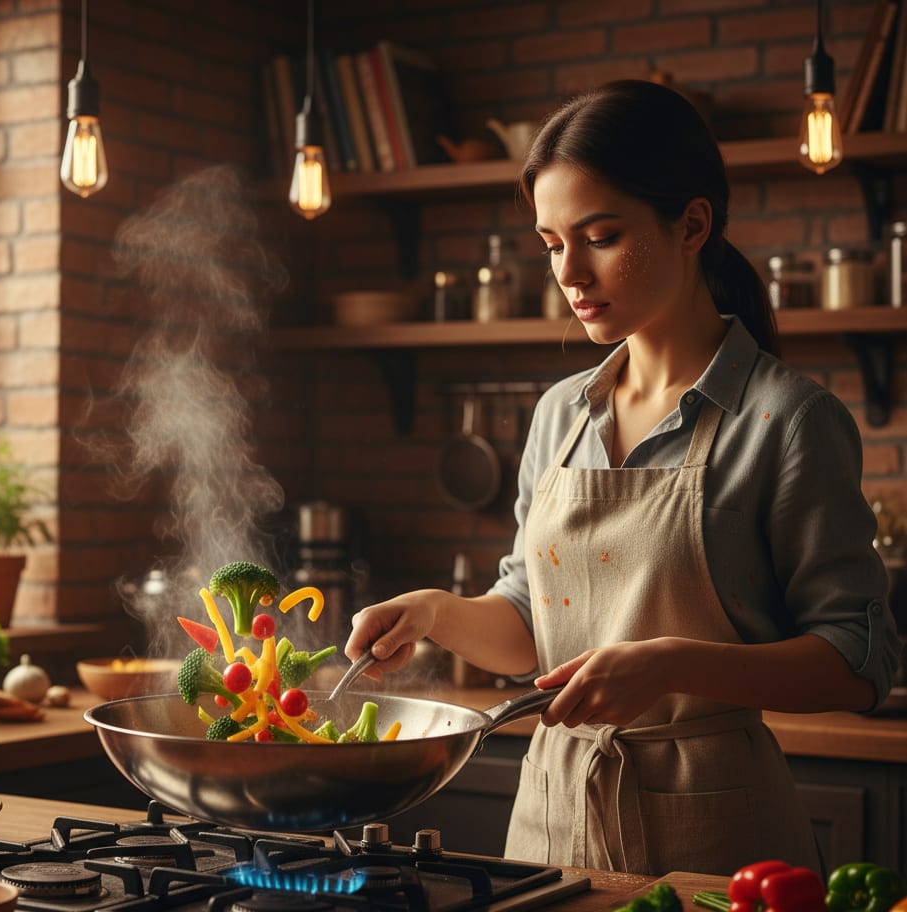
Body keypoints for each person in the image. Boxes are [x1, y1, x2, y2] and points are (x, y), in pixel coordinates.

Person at [344, 79, 902, 877]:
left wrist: (671, 664)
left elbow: (858, 661)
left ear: (692, 225)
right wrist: (434, 611)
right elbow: (532, 626)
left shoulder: (786, 419)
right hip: (551, 825)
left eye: (600, 236)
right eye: (550, 244)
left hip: (718, 842)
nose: (569, 272)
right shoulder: (560, 414)